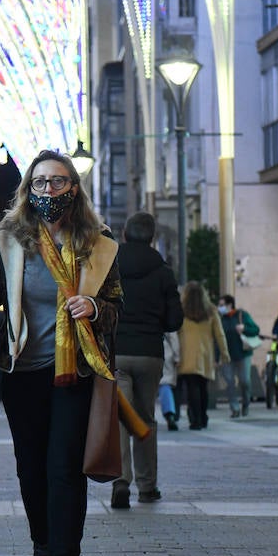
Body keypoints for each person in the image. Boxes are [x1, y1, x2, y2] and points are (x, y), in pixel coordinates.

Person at [0, 150, 122, 556]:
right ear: (29, 189)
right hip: (22, 371)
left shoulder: (97, 242)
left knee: (64, 467)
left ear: (74, 188)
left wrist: (96, 308)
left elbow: (118, 306)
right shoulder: (10, 240)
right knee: (31, 467)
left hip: (75, 370)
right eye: (41, 182)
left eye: (59, 182)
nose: (50, 190)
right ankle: (42, 548)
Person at [109, 212, 181, 509]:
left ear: (124, 234)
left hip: (117, 352)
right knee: (146, 419)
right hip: (150, 353)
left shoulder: (111, 265)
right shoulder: (163, 271)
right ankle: (147, 486)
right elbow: (175, 319)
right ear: (152, 237)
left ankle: (121, 481)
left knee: (121, 420)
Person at [174, 282, 229, 429]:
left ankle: (196, 419)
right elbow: (220, 334)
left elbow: (175, 333)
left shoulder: (181, 311)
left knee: (192, 388)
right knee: (202, 387)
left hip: (186, 355)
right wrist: (224, 353)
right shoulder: (211, 311)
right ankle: (203, 416)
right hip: (206, 356)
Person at [217, 294, 258, 418]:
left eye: (222, 305)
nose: (220, 307)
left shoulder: (242, 315)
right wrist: (216, 357)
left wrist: (244, 328)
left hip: (243, 354)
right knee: (229, 382)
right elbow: (216, 339)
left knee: (245, 381)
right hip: (227, 356)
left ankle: (246, 403)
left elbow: (256, 330)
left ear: (230, 305)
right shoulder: (220, 319)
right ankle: (234, 407)